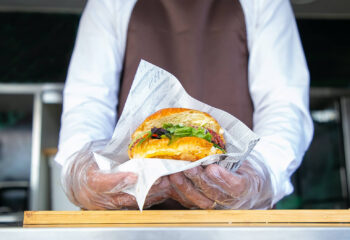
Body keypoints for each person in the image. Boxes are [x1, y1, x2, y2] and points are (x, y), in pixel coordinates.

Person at [56, 0, 313, 210]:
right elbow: (88, 100)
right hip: (129, 215)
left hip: (238, 220)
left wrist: (260, 175)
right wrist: (82, 169)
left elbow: (283, 103)